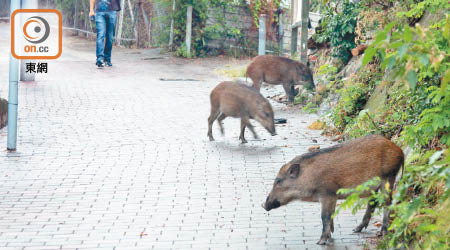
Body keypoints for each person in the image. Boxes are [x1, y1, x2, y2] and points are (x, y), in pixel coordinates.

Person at [89, 0, 121, 68]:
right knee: (101, 34)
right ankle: (100, 58)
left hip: (112, 11)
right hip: (99, 12)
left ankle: (107, 59)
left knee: (110, 37)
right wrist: (91, 10)